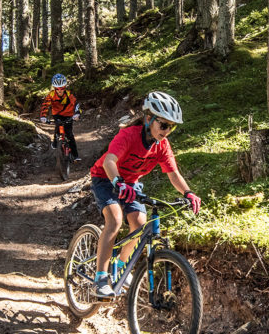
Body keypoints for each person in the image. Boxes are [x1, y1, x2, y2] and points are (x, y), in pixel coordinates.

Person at [88, 91, 201, 299]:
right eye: (163, 125)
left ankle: (122, 268)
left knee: (140, 223)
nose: (167, 131)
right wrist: (118, 183)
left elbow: (173, 174)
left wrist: (188, 192)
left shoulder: (162, 145)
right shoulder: (129, 135)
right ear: (149, 118)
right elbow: (109, 162)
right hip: (106, 178)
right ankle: (101, 277)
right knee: (114, 219)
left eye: (171, 127)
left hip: (130, 183)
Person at [39, 73, 81, 161]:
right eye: (57, 89)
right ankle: (55, 140)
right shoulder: (51, 95)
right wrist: (43, 116)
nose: (60, 90)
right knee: (58, 126)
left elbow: (76, 104)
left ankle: (75, 155)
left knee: (69, 134)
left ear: (65, 87)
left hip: (69, 114)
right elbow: (45, 105)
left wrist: (77, 114)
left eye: (62, 88)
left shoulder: (69, 94)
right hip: (57, 114)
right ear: (54, 88)